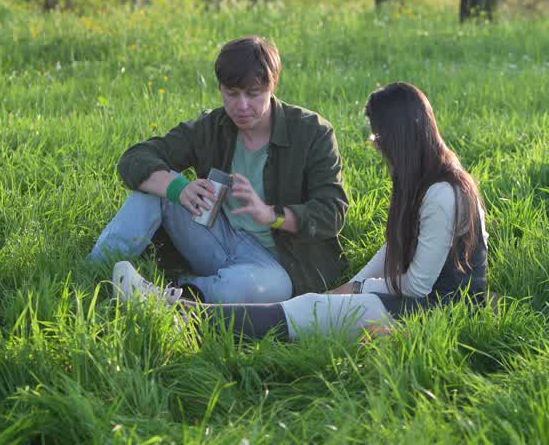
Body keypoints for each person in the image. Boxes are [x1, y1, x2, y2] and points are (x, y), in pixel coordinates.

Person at [110, 82, 489, 341]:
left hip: (432, 316)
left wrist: (361, 287)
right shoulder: (426, 182)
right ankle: (179, 312)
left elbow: (420, 287)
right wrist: (349, 286)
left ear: (399, 137)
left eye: (378, 136)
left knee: (308, 310)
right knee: (312, 306)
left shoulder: (443, 193)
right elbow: (394, 249)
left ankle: (176, 312)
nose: (377, 145)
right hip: (412, 306)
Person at [88, 36, 349, 304]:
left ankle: (174, 292)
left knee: (271, 290)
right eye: (232, 94)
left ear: (273, 86)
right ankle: (97, 274)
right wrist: (179, 189)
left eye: (253, 93)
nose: (242, 106)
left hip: (276, 265)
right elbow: (135, 159)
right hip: (215, 237)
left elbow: (332, 211)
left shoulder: (313, 131)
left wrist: (271, 215)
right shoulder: (212, 126)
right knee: (153, 185)